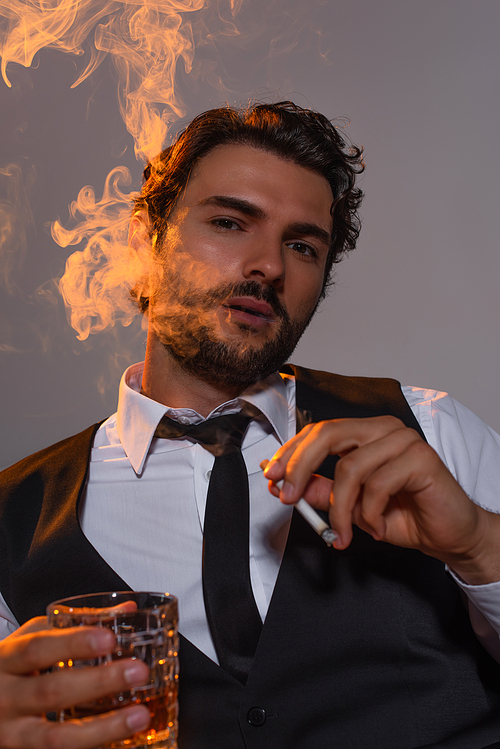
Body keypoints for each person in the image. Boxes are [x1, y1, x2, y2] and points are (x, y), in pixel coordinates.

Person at [1, 101, 500, 749]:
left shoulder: (430, 429)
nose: (269, 265)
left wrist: (480, 546)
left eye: (301, 244)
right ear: (142, 241)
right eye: (231, 222)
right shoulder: (13, 516)